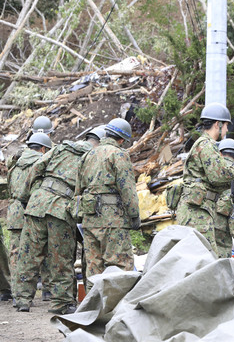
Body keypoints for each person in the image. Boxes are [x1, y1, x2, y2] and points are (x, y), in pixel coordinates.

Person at [14, 139, 92, 314]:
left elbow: (36, 168)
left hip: (38, 202)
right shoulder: (90, 156)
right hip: (61, 209)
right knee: (61, 258)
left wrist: (26, 196)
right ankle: (62, 303)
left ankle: (21, 299)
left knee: (29, 253)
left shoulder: (60, 149)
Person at [75, 118, 140, 292]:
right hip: (113, 221)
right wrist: (134, 214)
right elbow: (127, 188)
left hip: (90, 219)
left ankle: (91, 310)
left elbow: (78, 189)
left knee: (93, 266)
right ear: (121, 140)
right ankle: (118, 308)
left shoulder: (87, 155)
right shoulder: (118, 154)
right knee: (119, 263)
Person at [176, 104, 234, 252]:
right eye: (226, 125)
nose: (226, 130)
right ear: (217, 124)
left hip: (200, 210)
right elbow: (219, 177)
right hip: (196, 213)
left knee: (200, 258)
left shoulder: (205, 144)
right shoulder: (207, 145)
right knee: (204, 258)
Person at [6, 133, 52, 303]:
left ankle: (18, 293)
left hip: (16, 211)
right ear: (43, 149)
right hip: (35, 209)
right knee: (44, 248)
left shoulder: (14, 164)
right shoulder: (42, 163)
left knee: (16, 253)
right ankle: (48, 290)